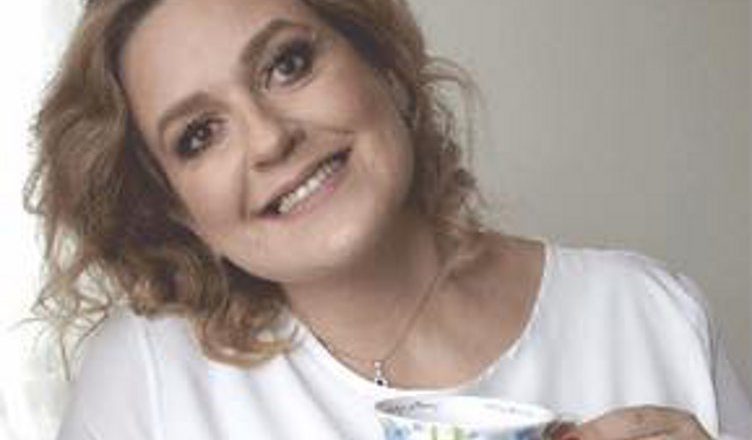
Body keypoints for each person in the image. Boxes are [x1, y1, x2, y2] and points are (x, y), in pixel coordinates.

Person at [25, 0, 750, 439]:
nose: (270, 139)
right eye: (199, 135)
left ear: (383, 66)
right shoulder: (148, 381)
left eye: (287, 64)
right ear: (177, 209)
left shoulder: (653, 316)